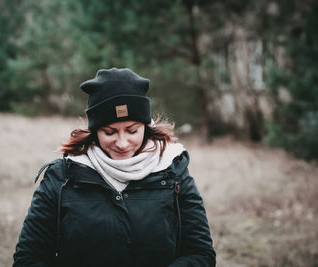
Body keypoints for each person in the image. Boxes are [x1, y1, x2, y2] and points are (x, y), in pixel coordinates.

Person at [13, 68, 216, 266]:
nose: (122, 143)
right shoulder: (62, 176)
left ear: (146, 127)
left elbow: (200, 253)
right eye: (109, 132)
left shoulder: (173, 170)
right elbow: (29, 257)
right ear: (94, 131)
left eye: (132, 130)